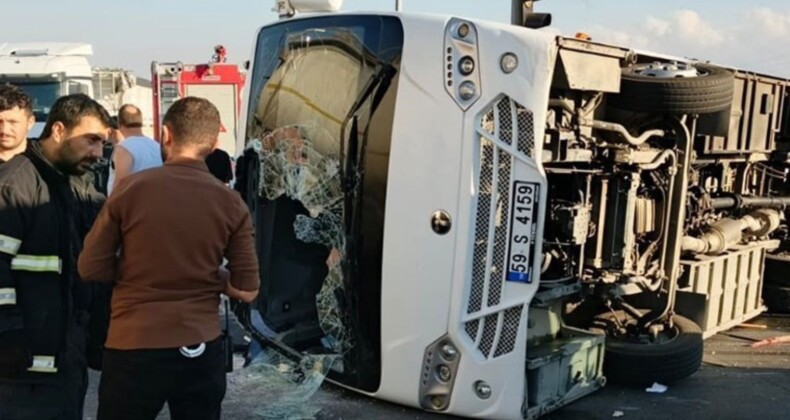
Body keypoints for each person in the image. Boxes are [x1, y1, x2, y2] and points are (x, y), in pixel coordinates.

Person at [78, 96, 260, 420]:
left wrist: (134, 267)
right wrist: (214, 276)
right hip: (199, 347)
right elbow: (247, 290)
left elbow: (89, 266)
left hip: (132, 346)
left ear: (165, 134)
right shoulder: (231, 203)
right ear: (215, 142)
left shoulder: (129, 190)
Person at [0, 93, 111, 419]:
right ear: (59, 130)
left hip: (65, 358)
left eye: (102, 143)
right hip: (21, 369)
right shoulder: (18, 185)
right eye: (90, 140)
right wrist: (9, 334)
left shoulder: (75, 185)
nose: (97, 153)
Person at [107, 104, 162, 195]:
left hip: (132, 206)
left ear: (120, 124)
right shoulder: (157, 147)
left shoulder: (124, 148)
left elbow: (120, 184)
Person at [0, 84, 35, 164]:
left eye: (13, 122)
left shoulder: (42, 161)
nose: (5, 130)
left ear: (30, 122)